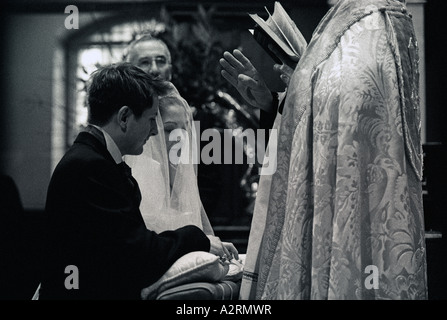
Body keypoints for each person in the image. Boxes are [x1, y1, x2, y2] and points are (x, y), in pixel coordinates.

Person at [220, 0, 427, 299]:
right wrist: (274, 102)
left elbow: (352, 116)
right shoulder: (341, 22)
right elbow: (326, 110)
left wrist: (302, 90)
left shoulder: (377, 23)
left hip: (353, 200)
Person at [40, 62, 229, 300]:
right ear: (124, 117)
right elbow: (137, 254)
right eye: (151, 119)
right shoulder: (91, 166)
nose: (154, 131)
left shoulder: (95, 159)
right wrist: (196, 238)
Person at [124, 35, 239, 259]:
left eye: (160, 61)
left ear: (171, 67)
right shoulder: (121, 123)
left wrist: (189, 223)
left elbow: (205, 181)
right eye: (145, 62)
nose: (154, 69)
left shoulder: (187, 113)